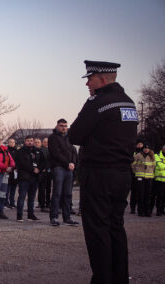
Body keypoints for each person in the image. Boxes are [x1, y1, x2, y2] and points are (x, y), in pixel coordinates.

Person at [68, 60, 138, 283]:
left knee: (98, 230)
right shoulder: (129, 103)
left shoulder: (98, 102)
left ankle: (103, 279)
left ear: (103, 79)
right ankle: (119, 278)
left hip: (99, 175)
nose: (87, 83)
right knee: (116, 227)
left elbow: (75, 135)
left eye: (90, 78)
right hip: (122, 175)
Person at [48, 119, 78, 226]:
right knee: (57, 193)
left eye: (65, 126)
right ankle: (54, 217)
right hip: (59, 168)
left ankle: (67, 217)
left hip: (69, 168)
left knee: (68, 194)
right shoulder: (53, 138)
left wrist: (73, 163)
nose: (64, 127)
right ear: (57, 126)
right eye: (61, 125)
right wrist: (67, 163)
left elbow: (74, 151)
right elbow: (56, 153)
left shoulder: (68, 138)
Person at [15, 135, 45, 222]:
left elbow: (43, 161)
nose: (30, 142)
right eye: (28, 141)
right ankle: (19, 216)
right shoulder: (20, 151)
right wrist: (33, 169)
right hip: (24, 177)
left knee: (32, 197)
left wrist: (38, 169)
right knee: (22, 197)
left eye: (31, 140)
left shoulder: (38, 151)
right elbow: (21, 163)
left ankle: (30, 215)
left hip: (35, 177)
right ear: (25, 141)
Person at [132, 144, 155, 217]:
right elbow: (133, 165)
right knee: (140, 195)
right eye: (145, 148)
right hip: (140, 177)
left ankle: (147, 211)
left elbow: (153, 166)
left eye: (147, 148)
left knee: (148, 195)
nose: (146, 149)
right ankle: (140, 211)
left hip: (149, 178)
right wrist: (136, 172)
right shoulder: (138, 155)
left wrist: (150, 172)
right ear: (143, 149)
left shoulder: (152, 156)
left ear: (149, 149)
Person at [130, 140, 144, 214]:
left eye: (141, 144)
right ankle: (132, 208)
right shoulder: (133, 153)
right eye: (138, 144)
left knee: (140, 193)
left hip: (142, 175)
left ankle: (140, 208)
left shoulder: (144, 154)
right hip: (134, 175)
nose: (140, 145)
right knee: (134, 192)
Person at [152, 145, 165, 216]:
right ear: (162, 149)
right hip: (159, 179)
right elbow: (159, 166)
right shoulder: (156, 155)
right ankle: (158, 210)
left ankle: (162, 210)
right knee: (160, 196)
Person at [40, 137, 52, 211]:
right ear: (42, 143)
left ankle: (48, 203)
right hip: (43, 171)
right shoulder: (41, 150)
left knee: (49, 189)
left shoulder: (51, 150)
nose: (46, 143)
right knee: (42, 189)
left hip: (50, 171)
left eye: (47, 142)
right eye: (45, 142)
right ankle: (42, 204)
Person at [6, 138, 18, 208]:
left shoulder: (17, 151)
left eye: (13, 142)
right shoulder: (6, 151)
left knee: (13, 188)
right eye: (10, 142)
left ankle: (12, 202)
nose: (12, 143)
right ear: (8, 143)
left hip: (15, 172)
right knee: (7, 188)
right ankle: (6, 202)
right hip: (9, 171)